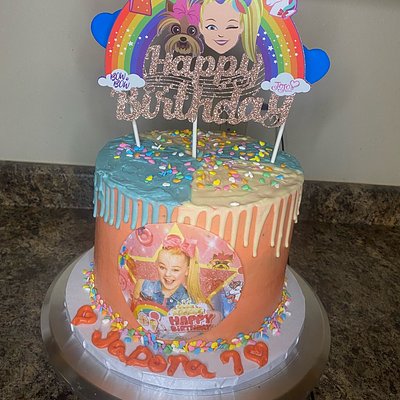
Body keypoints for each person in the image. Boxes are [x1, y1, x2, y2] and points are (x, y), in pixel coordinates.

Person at [132, 234, 209, 310]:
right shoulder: (143, 287)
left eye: (175, 270)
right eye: (162, 267)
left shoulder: (190, 303)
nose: (167, 274)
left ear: (187, 271)